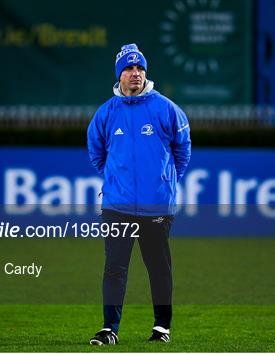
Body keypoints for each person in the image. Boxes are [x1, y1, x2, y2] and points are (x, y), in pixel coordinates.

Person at [86, 43, 191, 345]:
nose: (135, 74)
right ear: (119, 75)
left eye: (139, 69)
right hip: (117, 206)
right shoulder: (106, 113)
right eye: (129, 69)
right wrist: (118, 181)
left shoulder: (166, 109)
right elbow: (97, 154)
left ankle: (162, 328)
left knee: (158, 267)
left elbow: (182, 151)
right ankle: (109, 329)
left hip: (156, 206)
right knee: (114, 268)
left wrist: (164, 181)